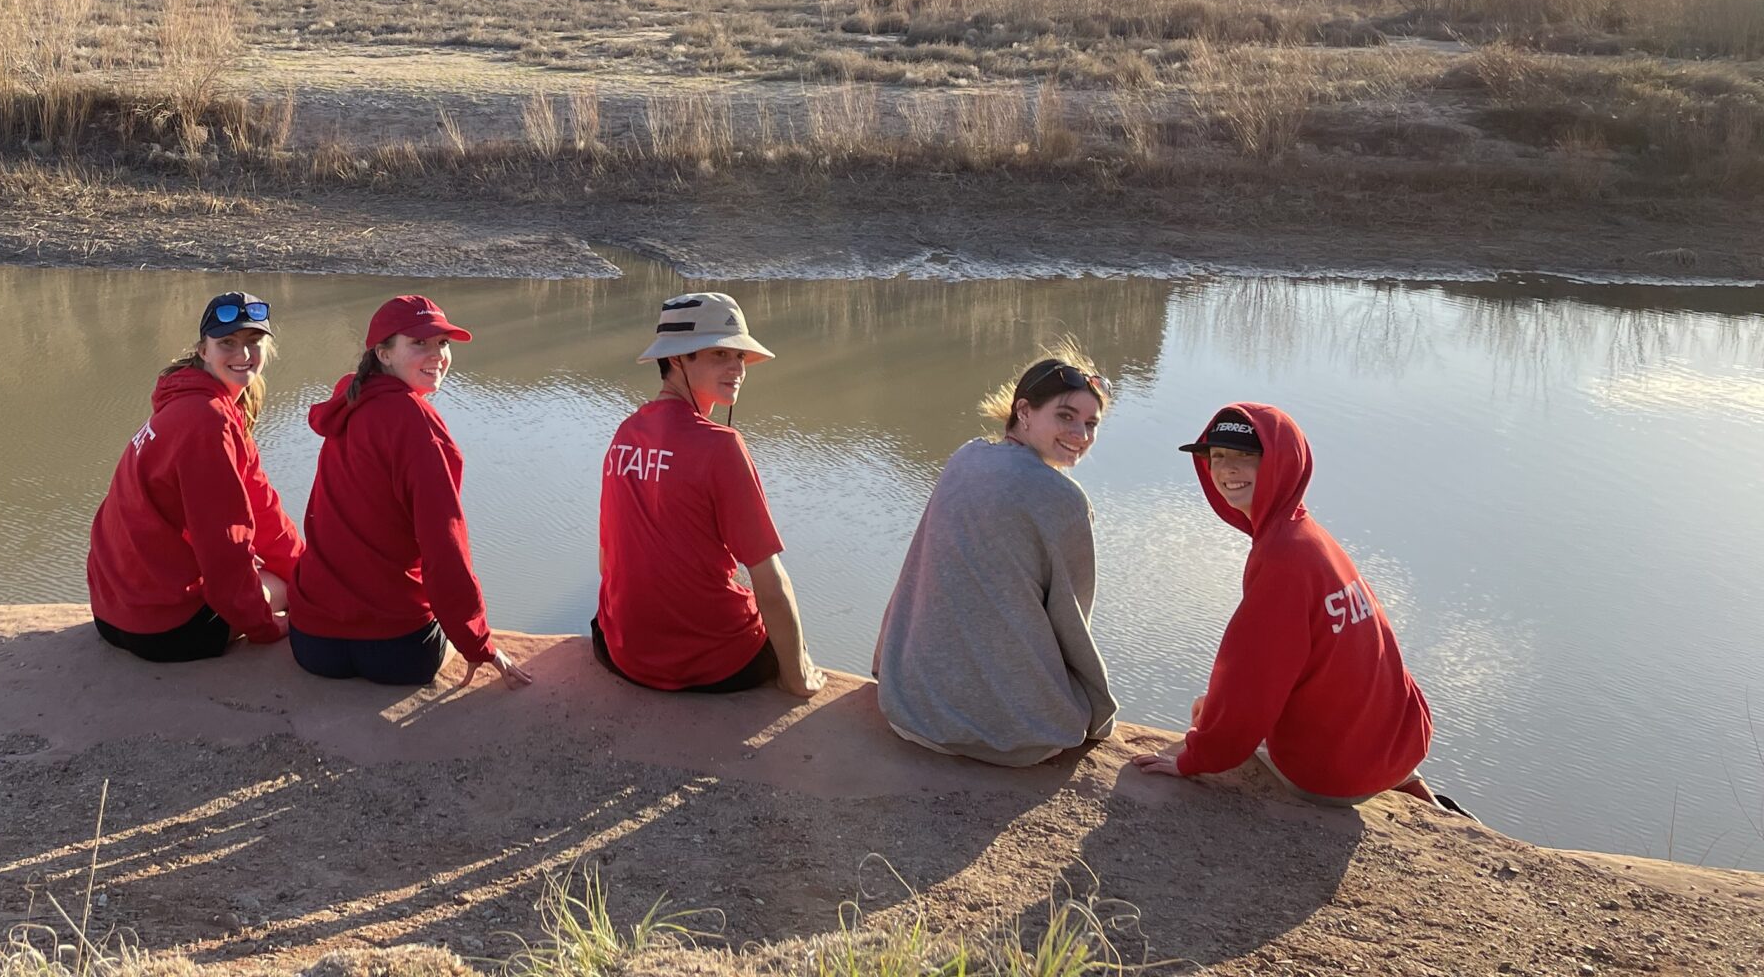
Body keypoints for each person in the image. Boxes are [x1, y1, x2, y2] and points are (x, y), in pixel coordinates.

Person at [1131, 404, 1436, 805]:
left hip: (1328, 776)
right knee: (1217, 706)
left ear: (1281, 463)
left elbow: (1251, 677)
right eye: (1218, 456)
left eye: (1246, 457)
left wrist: (1195, 758)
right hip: (1399, 745)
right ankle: (1415, 790)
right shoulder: (1309, 535)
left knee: (1206, 715)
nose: (1226, 470)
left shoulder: (1282, 558)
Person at [873, 350, 1117, 765]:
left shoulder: (965, 456)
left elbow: (915, 571)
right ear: (1023, 411)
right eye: (1065, 416)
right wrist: (1096, 710)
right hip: (1008, 736)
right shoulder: (1065, 499)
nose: (1081, 434)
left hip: (909, 707)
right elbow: (1072, 625)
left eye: (1091, 423)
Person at [286, 294, 532, 689]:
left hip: (313, 644)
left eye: (443, 343)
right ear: (383, 353)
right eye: (420, 343)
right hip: (397, 650)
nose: (437, 355)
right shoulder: (418, 426)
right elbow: (445, 546)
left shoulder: (349, 402)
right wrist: (478, 643)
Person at [591, 292, 824, 696]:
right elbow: (770, 581)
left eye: (740, 356)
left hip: (620, 652)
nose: (737, 367)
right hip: (714, 665)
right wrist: (797, 677)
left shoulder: (625, 433)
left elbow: (606, 561)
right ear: (679, 359)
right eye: (719, 354)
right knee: (782, 632)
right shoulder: (721, 447)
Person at [85, 290, 304, 662]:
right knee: (280, 586)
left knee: (286, 575)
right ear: (203, 349)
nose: (243, 354)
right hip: (167, 631)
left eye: (253, 342)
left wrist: (305, 569)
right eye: (227, 343)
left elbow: (261, 507)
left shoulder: (185, 401)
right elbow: (226, 544)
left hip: (110, 612)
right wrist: (266, 625)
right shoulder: (210, 422)